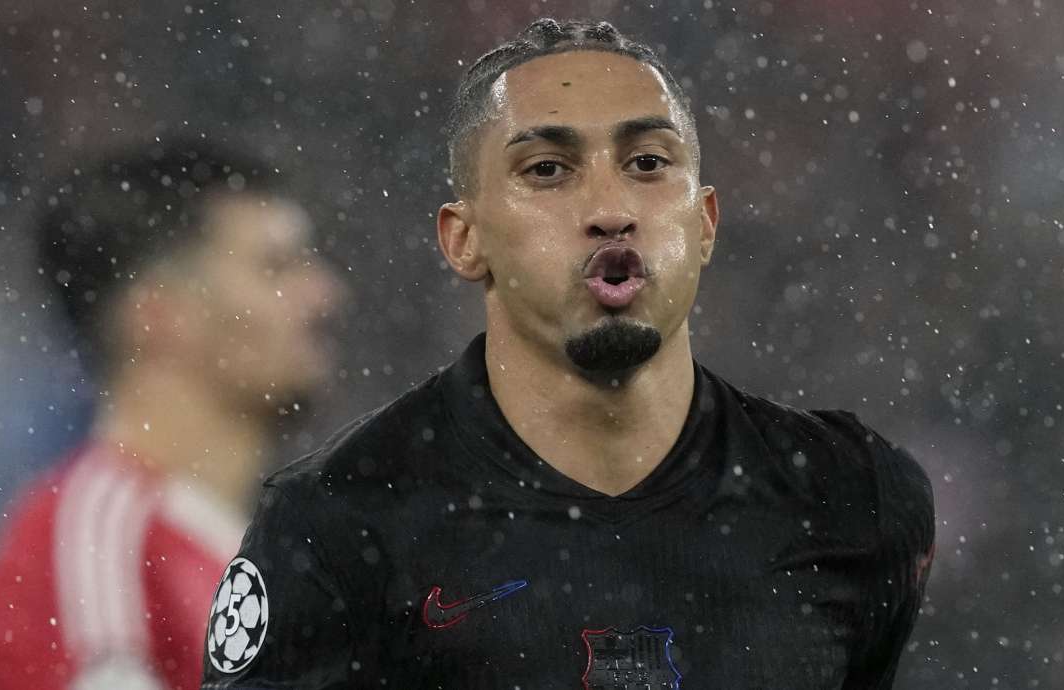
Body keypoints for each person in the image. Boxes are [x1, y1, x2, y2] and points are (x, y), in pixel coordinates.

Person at [200, 18, 935, 690]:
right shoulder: (336, 523)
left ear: (705, 224)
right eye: (548, 170)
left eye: (648, 162)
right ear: (465, 239)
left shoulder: (853, 497)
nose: (611, 210)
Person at [0, 140, 344, 690]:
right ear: (159, 316)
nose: (324, 294)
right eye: (277, 268)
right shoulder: (95, 550)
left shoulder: (288, 552)